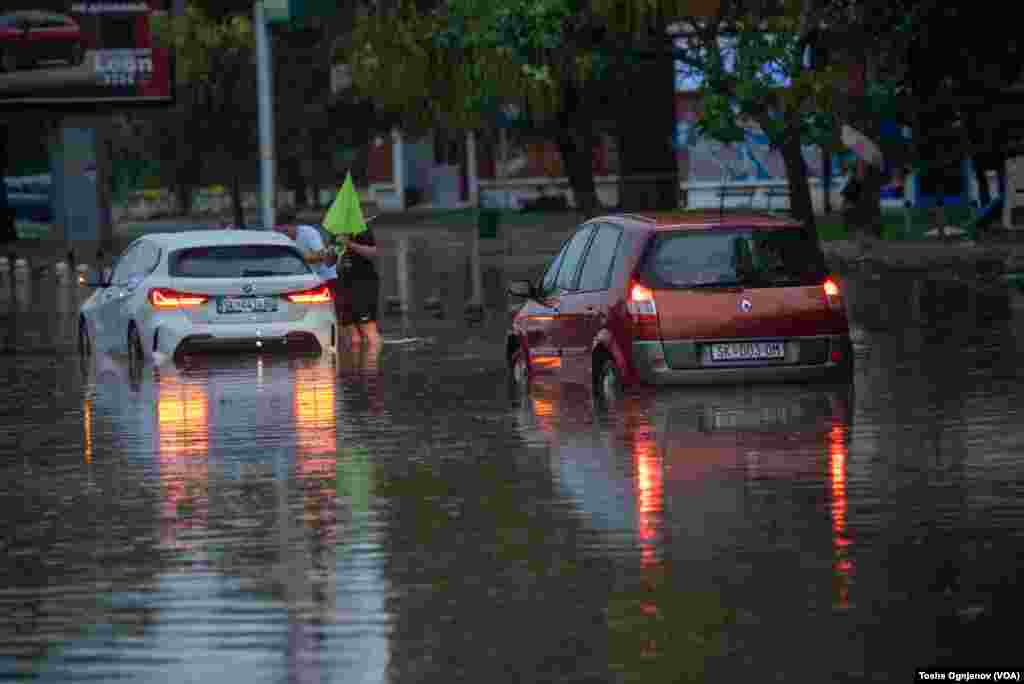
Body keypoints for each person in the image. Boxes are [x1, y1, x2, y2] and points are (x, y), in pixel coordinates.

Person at [273, 209, 340, 320]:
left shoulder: (308, 233)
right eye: (280, 232)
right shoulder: (280, 237)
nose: (284, 235)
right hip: (307, 280)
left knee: (331, 316)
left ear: (294, 226)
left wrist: (297, 257)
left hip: (326, 278)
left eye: (286, 231)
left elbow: (321, 255)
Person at [333, 224, 380, 349]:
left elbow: (373, 253)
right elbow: (329, 262)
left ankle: (371, 365)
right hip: (343, 283)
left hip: (364, 283)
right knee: (351, 335)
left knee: (368, 329)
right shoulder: (335, 231)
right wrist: (333, 251)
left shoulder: (362, 228)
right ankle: (353, 366)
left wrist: (349, 243)